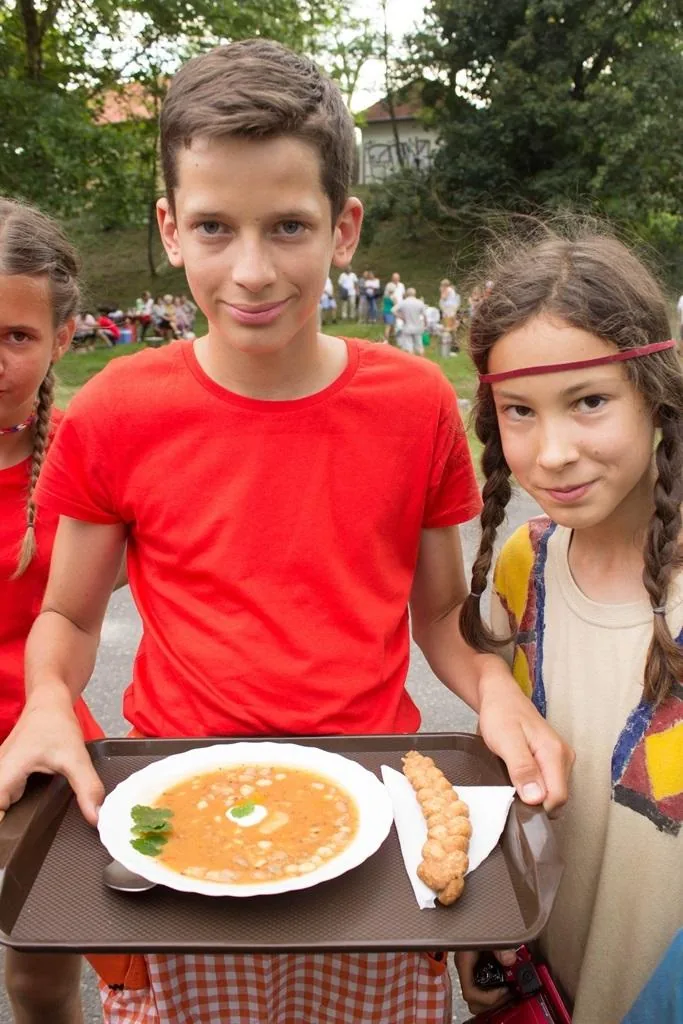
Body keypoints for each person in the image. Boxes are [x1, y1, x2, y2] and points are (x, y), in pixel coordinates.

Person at [0, 41, 572, 1024]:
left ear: (344, 229)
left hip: (369, 801)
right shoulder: (118, 413)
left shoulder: (414, 406)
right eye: (216, 228)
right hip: (170, 807)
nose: (252, 270)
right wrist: (48, 696)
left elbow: (437, 612)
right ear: (171, 229)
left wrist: (494, 692)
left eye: (289, 226)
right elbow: (69, 614)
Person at [454, 230, 683, 1024]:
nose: (551, 452)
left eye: (588, 401)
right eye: (519, 411)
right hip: (550, 987)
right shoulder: (524, 566)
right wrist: (492, 932)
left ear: (654, 393)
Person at [0, 198, 105, 1024]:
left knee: (39, 981)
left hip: (38, 767)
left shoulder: (85, 456)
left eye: (17, 336)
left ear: (63, 337)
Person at [394, 287, 427, 355]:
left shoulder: (403, 302)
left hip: (407, 327)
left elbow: (393, 310)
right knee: (419, 345)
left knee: (409, 347)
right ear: (415, 294)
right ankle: (423, 361)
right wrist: (425, 324)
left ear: (406, 294)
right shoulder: (420, 302)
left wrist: (401, 317)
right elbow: (425, 315)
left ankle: (412, 361)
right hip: (418, 326)